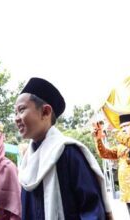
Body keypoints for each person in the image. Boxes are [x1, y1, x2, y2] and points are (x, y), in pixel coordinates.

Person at [15, 77, 112, 220]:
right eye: (15, 112)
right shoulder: (27, 162)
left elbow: (92, 210)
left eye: (21, 110)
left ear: (46, 112)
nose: (16, 118)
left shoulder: (68, 153)